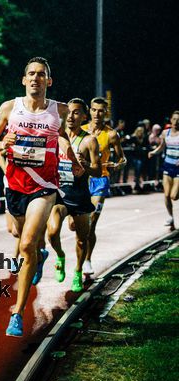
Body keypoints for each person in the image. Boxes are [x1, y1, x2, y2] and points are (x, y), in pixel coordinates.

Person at [0, 57, 83, 337]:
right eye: (31, 74)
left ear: (49, 81)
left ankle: (17, 312)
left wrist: (74, 160)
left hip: (44, 187)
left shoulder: (59, 110)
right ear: (23, 80)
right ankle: (39, 252)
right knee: (16, 233)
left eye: (41, 74)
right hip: (14, 186)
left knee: (25, 245)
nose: (36, 78)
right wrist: (3, 143)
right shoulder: (9, 108)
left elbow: (66, 134)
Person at [46, 99, 101, 292]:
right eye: (68, 112)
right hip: (59, 194)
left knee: (81, 238)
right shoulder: (56, 137)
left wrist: (85, 166)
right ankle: (60, 256)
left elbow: (98, 171)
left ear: (84, 117)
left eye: (76, 113)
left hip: (79, 196)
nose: (70, 116)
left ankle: (77, 271)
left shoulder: (89, 140)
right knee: (52, 232)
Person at [82, 97, 126, 275]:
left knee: (91, 222)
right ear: (90, 111)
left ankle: (87, 260)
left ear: (105, 113)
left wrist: (119, 165)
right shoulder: (81, 130)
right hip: (81, 180)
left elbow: (122, 158)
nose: (97, 114)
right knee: (76, 226)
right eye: (94, 110)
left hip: (101, 179)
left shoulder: (111, 134)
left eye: (101, 111)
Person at [148, 110, 179, 227]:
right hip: (167, 165)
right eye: (174, 119)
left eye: (178, 119)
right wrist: (153, 152)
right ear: (171, 120)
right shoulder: (166, 133)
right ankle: (170, 217)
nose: (176, 122)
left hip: (178, 168)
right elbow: (161, 147)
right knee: (166, 195)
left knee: (174, 196)